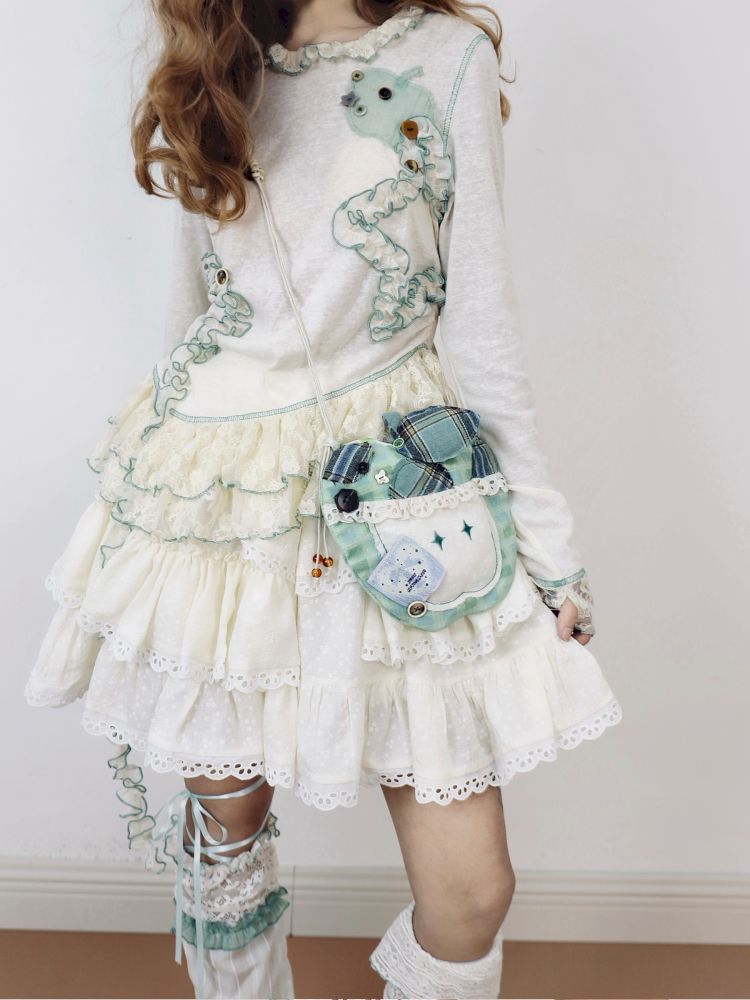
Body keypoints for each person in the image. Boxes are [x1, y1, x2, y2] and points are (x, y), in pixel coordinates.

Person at [24, 1, 623, 997]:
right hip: (229, 492)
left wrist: (547, 547)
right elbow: (195, 311)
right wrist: (157, 495)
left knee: (471, 893)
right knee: (227, 840)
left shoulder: (446, 58)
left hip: (394, 487)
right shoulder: (213, 69)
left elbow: (482, 326)